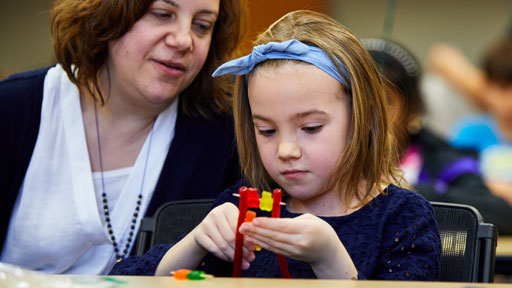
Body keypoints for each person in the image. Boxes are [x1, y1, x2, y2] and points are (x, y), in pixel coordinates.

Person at [110, 10, 441, 280]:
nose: (285, 150)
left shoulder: (403, 218)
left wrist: (330, 261)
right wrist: (195, 243)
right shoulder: (246, 207)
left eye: (310, 128)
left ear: (363, 119)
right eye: (266, 131)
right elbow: (121, 278)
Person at [0, 0, 246, 275]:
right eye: (162, 15)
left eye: (202, 26)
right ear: (107, 13)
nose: (183, 40)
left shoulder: (226, 135)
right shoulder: (12, 109)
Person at [363, 37, 512, 235]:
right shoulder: (324, 159)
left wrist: (410, 191)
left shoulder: (442, 160)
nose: (369, 116)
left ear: (413, 109)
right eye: (356, 101)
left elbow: (501, 213)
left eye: (386, 102)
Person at [430, 39, 512, 206]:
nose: (509, 101)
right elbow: (454, 179)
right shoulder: (469, 132)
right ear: (486, 86)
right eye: (502, 88)